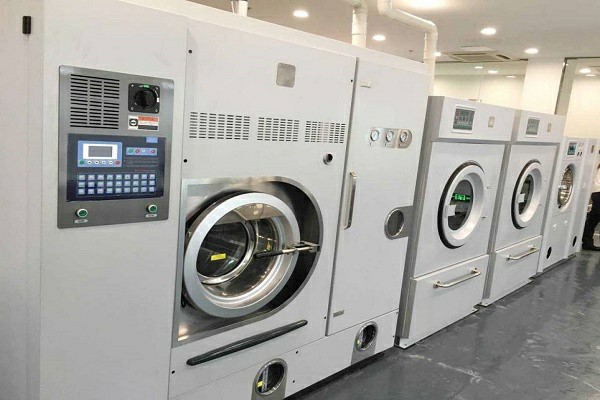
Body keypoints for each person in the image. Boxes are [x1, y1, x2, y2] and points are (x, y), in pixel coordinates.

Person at [582, 167, 600, 251]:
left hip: (596, 192)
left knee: (594, 218)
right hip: (598, 192)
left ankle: (587, 242)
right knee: (594, 218)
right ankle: (587, 242)